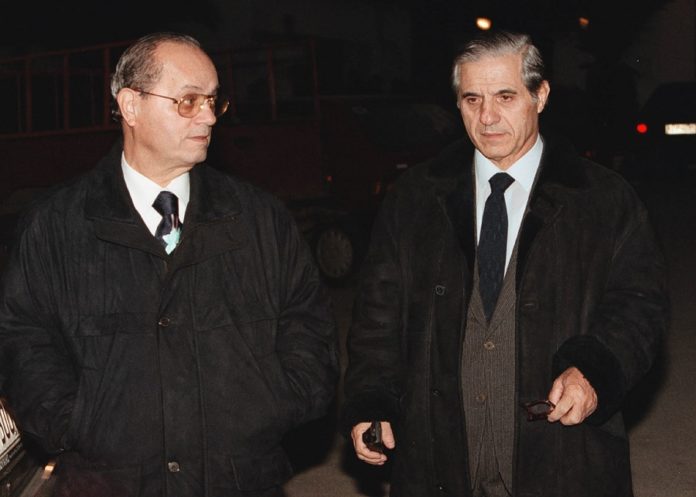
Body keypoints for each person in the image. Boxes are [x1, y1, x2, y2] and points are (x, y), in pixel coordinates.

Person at [0, 32, 338, 497]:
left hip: (240, 480)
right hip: (108, 484)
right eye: (188, 101)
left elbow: (309, 325)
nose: (208, 116)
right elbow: (24, 340)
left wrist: (276, 404)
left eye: (213, 101)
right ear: (131, 106)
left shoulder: (259, 218)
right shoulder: (56, 225)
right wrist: (76, 423)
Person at [341, 30, 668, 497]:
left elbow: (640, 304)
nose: (487, 116)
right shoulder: (414, 198)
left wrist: (594, 370)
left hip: (561, 457)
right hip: (440, 453)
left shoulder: (602, 199)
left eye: (505, 96)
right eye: (472, 99)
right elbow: (378, 316)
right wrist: (372, 400)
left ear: (541, 95)